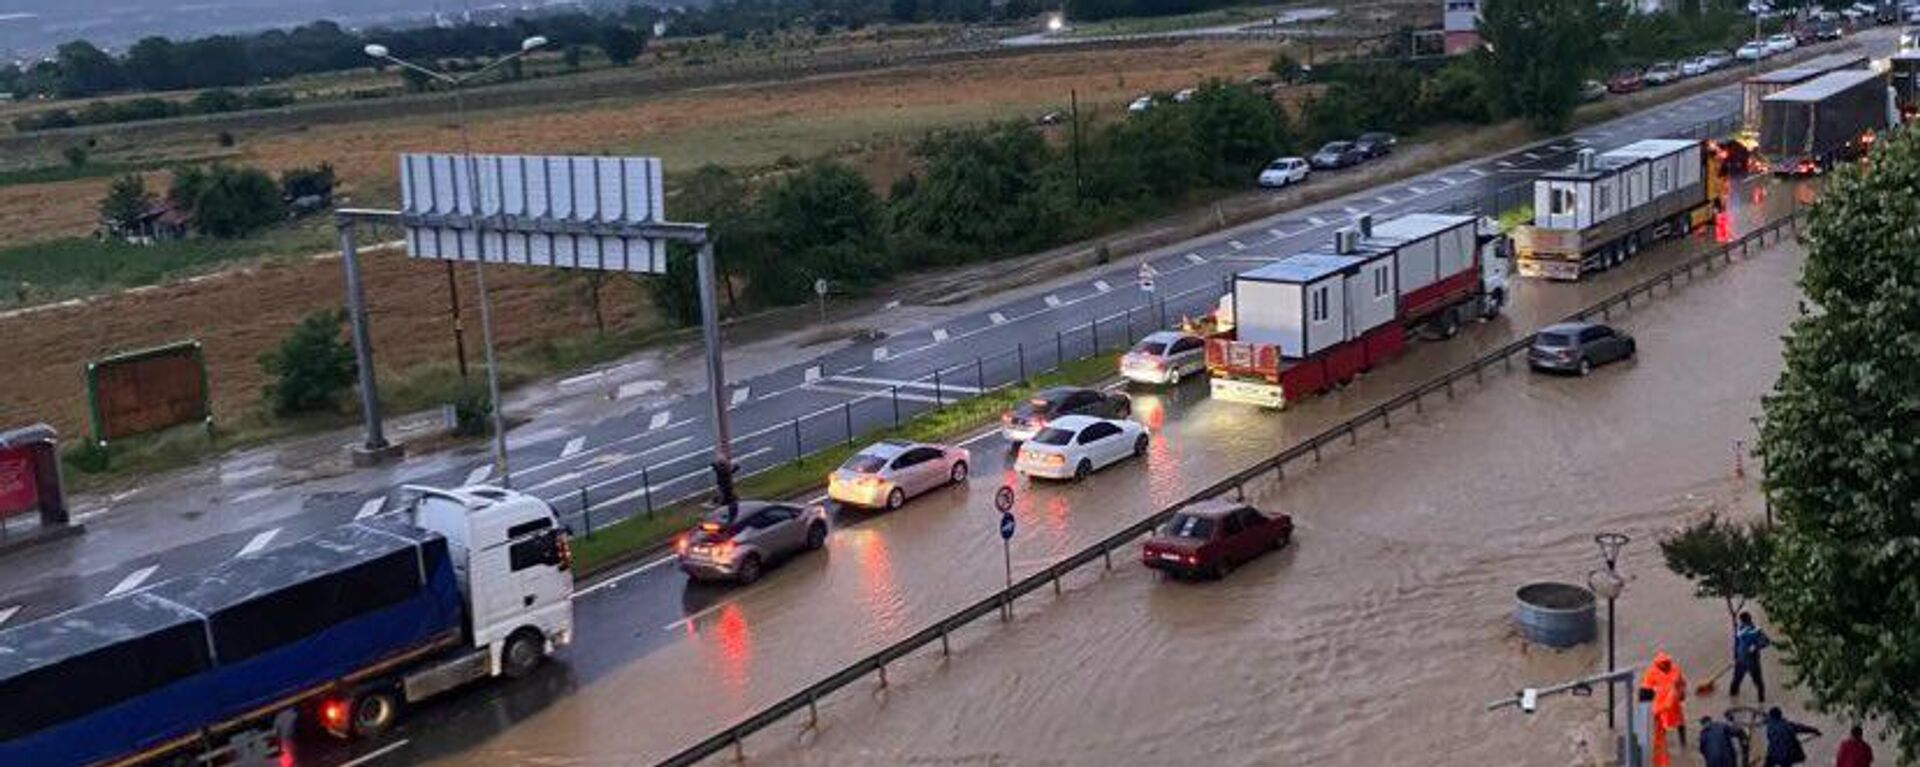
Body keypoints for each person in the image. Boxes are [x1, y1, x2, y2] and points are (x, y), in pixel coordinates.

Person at [1641, 650, 1690, 754]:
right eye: (1663, 663)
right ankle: (1661, 746)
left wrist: (1682, 693)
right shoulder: (1651, 673)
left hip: (1674, 704)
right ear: (1658, 664)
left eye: (1667, 662)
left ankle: (1683, 743)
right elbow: (1645, 690)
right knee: (1661, 725)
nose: (1666, 664)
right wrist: (1644, 704)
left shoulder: (1675, 670)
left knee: (1680, 723)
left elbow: (1682, 683)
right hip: (1660, 704)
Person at [1733, 611, 1772, 702]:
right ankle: (1733, 698)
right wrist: (1735, 655)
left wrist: (1755, 646)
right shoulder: (1740, 629)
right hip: (1740, 660)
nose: (1742, 623)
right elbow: (1737, 643)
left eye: (1743, 621)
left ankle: (1761, 701)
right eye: (1742, 621)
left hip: (1753, 662)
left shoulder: (1757, 630)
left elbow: (1766, 641)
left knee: (1758, 682)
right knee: (1736, 681)